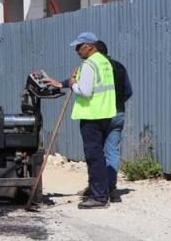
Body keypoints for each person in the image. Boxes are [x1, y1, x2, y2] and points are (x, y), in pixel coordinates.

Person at [41, 32, 117, 209]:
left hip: (92, 116)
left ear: (89, 46)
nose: (76, 50)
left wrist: (74, 83)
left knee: (94, 157)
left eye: (79, 47)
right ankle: (99, 191)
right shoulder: (104, 61)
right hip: (105, 113)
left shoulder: (89, 64)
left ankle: (99, 197)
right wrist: (62, 83)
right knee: (100, 156)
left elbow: (85, 90)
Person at [95, 40, 133, 202]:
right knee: (112, 151)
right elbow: (128, 91)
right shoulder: (119, 66)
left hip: (100, 114)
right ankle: (111, 187)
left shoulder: (95, 67)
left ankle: (99, 188)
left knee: (96, 152)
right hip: (118, 113)